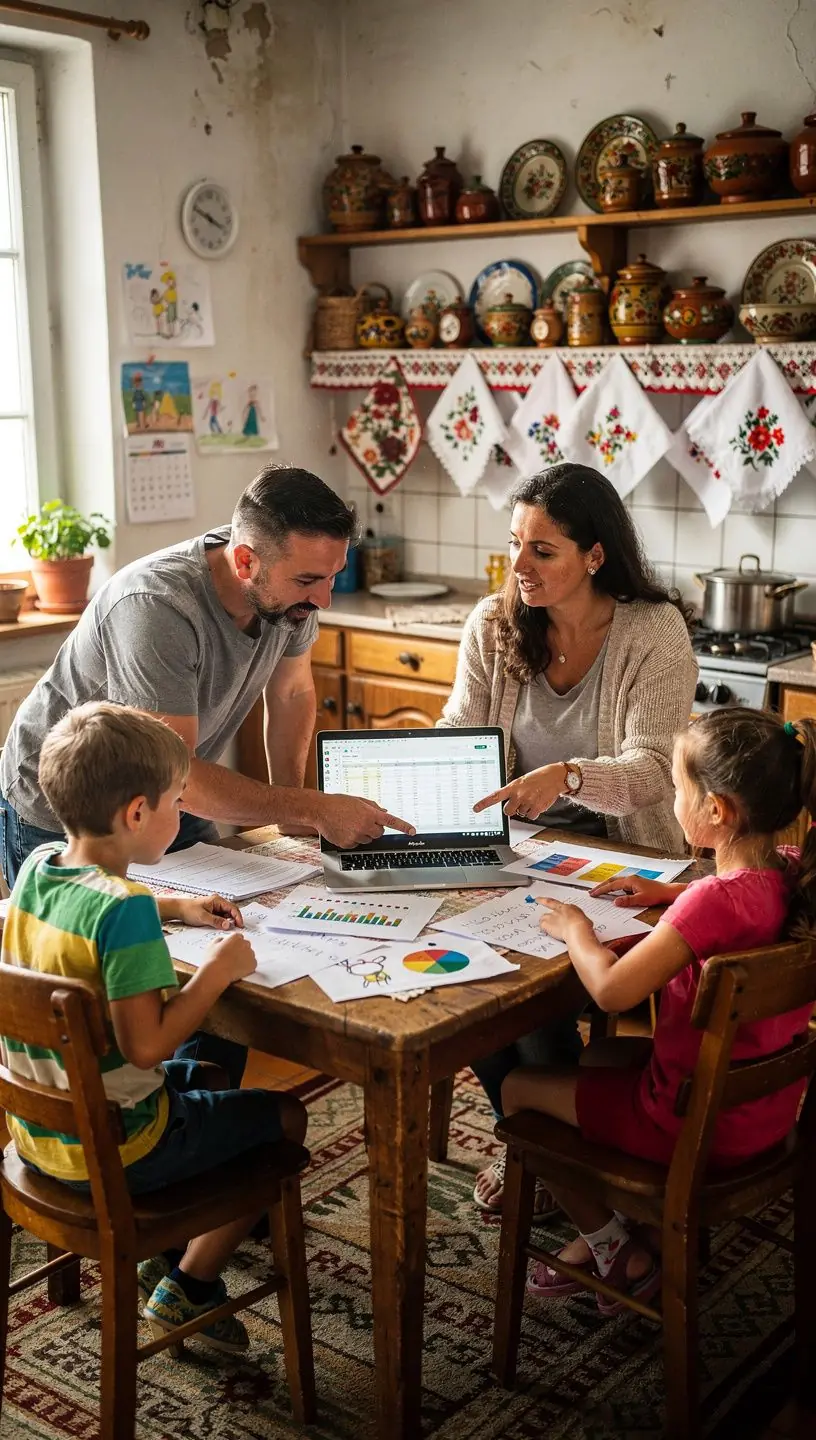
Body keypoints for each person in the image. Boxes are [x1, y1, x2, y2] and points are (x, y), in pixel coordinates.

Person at [0, 464, 413, 1085]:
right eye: (310, 580)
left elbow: (295, 694)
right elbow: (180, 772)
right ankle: (132, 1141)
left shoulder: (291, 597)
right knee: (104, 1014)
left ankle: (192, 1113)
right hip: (62, 811)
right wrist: (314, 809)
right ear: (246, 560)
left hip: (159, 800)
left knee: (216, 969)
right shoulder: (158, 607)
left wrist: (290, 817)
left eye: (331, 576)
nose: (324, 599)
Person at [0, 702, 307, 1353]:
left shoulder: (38, 868)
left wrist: (178, 907)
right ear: (137, 814)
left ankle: (174, 1247)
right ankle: (188, 1285)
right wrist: (217, 972)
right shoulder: (127, 913)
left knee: (214, 1077)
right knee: (284, 1120)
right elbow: (148, 1044)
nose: (182, 812)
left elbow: (95, 900)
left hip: (39, 1136)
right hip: (116, 1150)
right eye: (176, 800)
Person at [438, 464, 698, 1215]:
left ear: (594, 555)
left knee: (534, 996)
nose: (519, 566)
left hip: (635, 865)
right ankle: (537, 1141)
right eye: (514, 543)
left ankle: (549, 1156)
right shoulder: (494, 623)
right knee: (471, 991)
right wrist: (425, 759)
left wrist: (570, 777)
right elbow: (464, 727)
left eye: (542, 550)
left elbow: (654, 769)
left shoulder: (653, 632)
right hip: (522, 854)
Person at [502, 707, 816, 1312]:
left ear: (716, 811)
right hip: (762, 1119)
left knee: (518, 1086)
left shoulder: (710, 902)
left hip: (688, 1127)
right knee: (600, 1060)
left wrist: (575, 930)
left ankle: (614, 1246)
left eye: (678, 789)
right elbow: (729, 903)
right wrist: (674, 893)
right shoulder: (797, 874)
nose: (674, 799)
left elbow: (613, 991)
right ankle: (637, 1218)